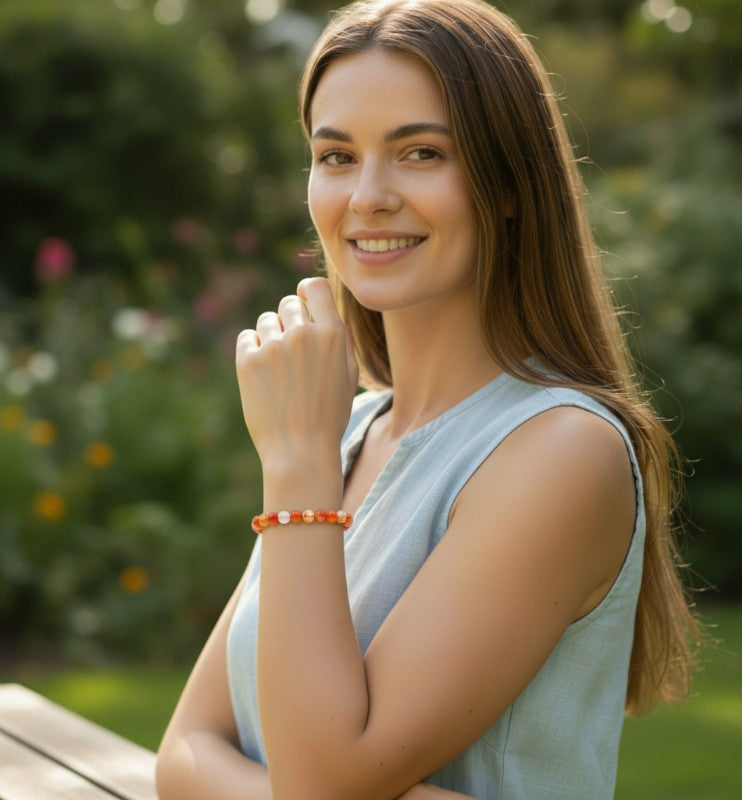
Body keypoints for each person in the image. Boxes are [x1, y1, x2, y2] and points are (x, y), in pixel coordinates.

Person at [155, 1, 699, 798]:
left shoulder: (561, 451)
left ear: (509, 184)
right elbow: (183, 753)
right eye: (336, 156)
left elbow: (314, 782)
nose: (368, 196)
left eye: (419, 152)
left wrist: (296, 460)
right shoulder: (352, 431)